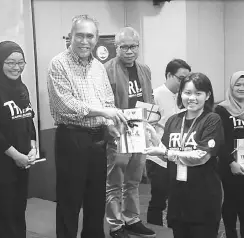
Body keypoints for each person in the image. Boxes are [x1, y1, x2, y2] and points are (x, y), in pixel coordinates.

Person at [47, 14, 127, 238]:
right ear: (70, 37)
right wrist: (104, 112)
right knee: (69, 200)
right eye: (79, 35)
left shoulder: (99, 68)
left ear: (96, 39)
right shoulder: (59, 64)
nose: (84, 41)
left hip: (98, 139)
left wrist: (110, 123)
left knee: (95, 199)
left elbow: (108, 101)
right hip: (72, 139)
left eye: (89, 36)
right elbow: (66, 105)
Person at [144, 72, 224, 238]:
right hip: (177, 197)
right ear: (180, 94)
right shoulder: (174, 120)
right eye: (187, 93)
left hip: (204, 198)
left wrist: (166, 152)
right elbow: (166, 154)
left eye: (198, 93)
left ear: (207, 95)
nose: (192, 98)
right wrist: (153, 139)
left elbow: (202, 156)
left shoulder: (212, 120)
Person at [0, 41, 37, 238]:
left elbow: (29, 118)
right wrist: (15, 155)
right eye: (10, 62)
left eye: (20, 62)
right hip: (0, 159)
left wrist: (33, 148)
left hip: (22, 158)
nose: (16, 67)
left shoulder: (21, 87)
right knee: (5, 210)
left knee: (19, 208)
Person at [104, 26, 156, 238]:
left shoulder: (144, 69)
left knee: (133, 181)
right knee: (114, 182)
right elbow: (104, 104)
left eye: (133, 46)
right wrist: (112, 129)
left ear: (138, 47)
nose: (129, 51)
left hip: (139, 131)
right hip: (118, 132)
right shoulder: (106, 70)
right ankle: (116, 224)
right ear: (116, 48)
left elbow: (149, 99)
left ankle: (132, 218)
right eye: (123, 47)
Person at [146, 59, 191, 226]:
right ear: (169, 75)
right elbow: (147, 125)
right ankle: (154, 227)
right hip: (158, 156)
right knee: (159, 197)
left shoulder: (185, 96)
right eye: (180, 78)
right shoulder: (154, 95)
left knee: (178, 196)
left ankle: (175, 228)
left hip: (179, 155)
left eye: (187, 79)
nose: (184, 82)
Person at [215, 71, 244, 238]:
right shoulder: (221, 109)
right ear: (231, 86)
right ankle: (231, 234)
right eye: (238, 84)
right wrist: (231, 162)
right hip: (230, 164)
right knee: (231, 200)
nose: (242, 88)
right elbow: (220, 140)